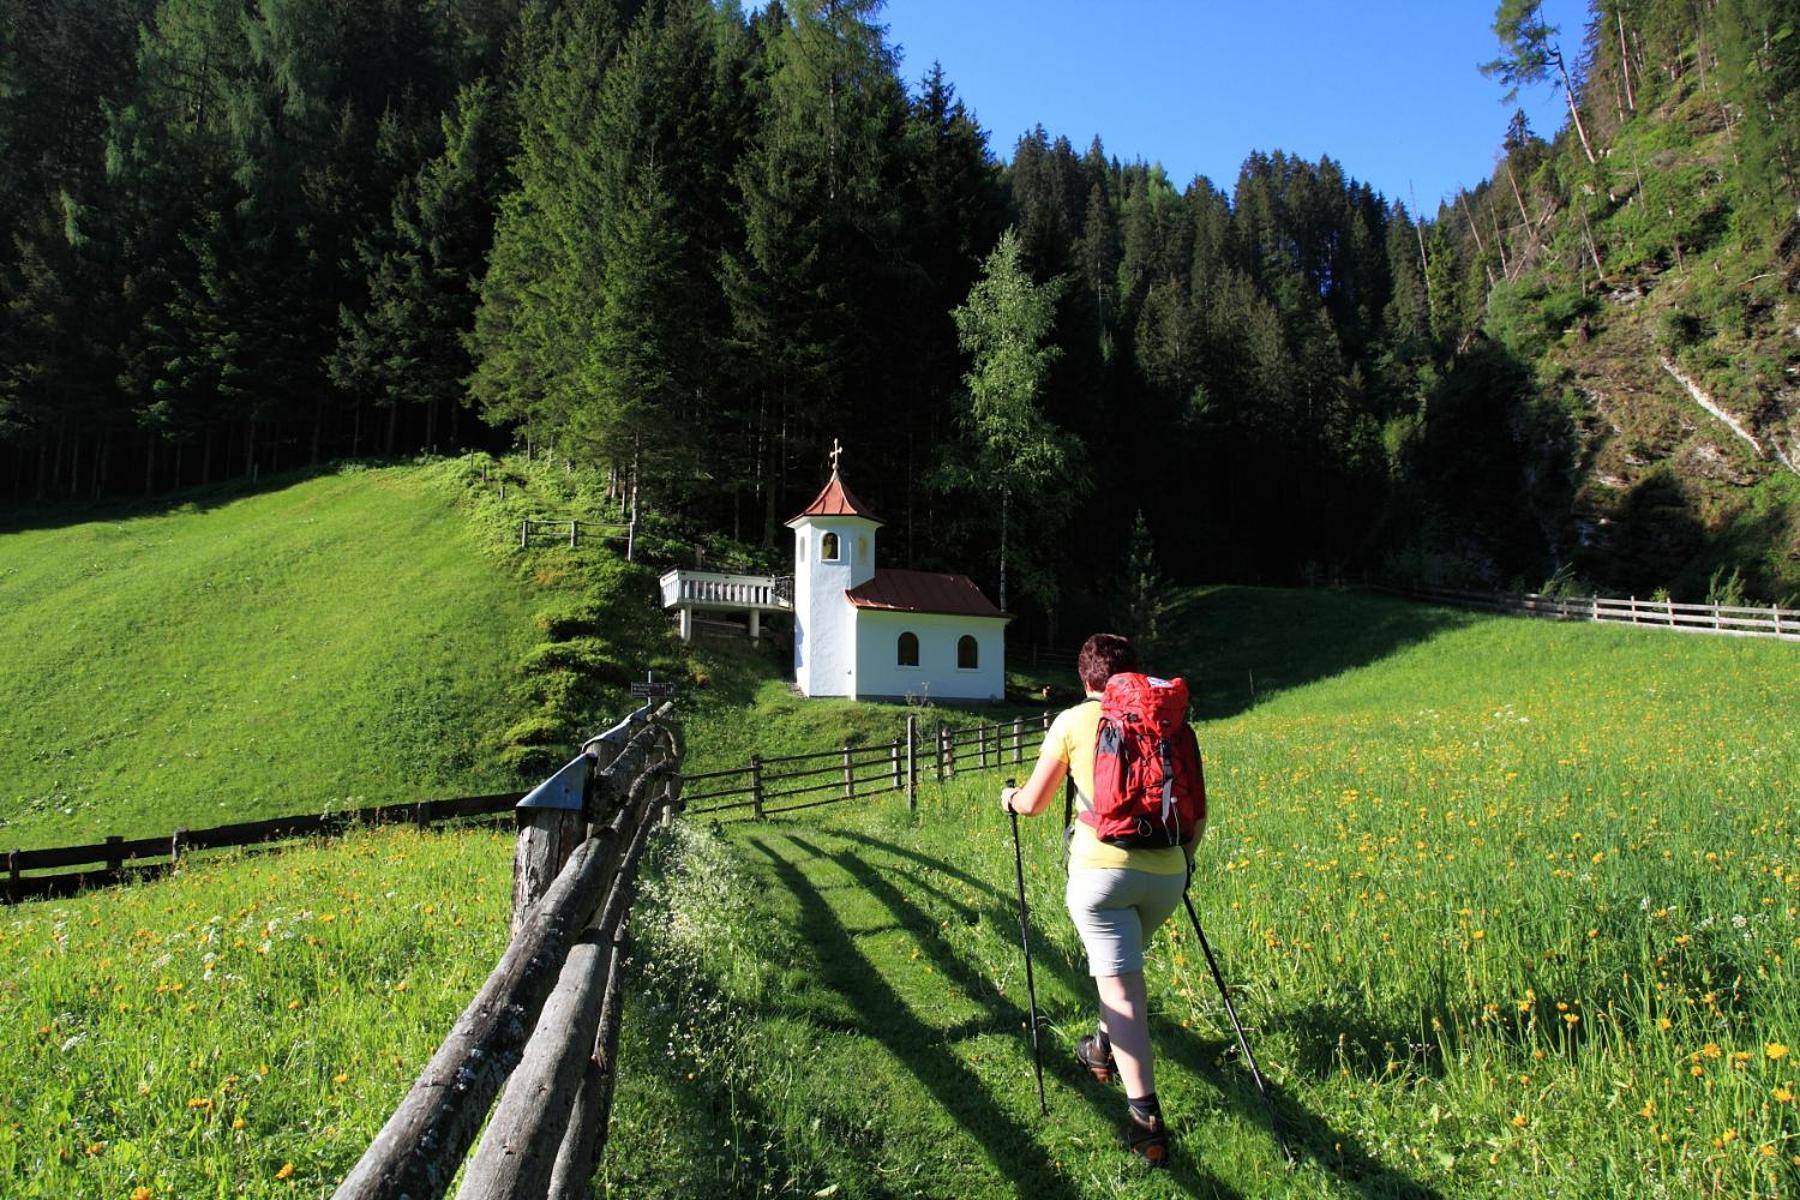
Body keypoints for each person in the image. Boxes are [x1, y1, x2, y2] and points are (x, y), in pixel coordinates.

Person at [999, 632, 1202, 1167]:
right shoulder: (1169, 721)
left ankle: (1145, 1120)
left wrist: (1009, 799)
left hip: (1102, 875)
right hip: (1167, 874)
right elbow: (1195, 811)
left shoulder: (1070, 722)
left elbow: (1035, 803)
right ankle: (1100, 1049)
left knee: (1124, 989)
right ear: (1134, 672)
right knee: (1123, 972)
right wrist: (1185, 861)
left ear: (1085, 678)